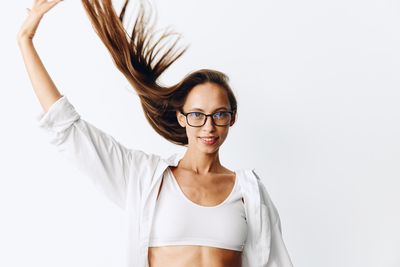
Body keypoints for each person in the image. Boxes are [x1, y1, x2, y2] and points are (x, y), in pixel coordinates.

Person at [17, 0, 294, 266]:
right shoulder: (144, 178)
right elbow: (67, 127)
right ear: (182, 118)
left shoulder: (249, 192)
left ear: (232, 119)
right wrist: (25, 41)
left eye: (219, 114)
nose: (209, 126)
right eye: (197, 115)